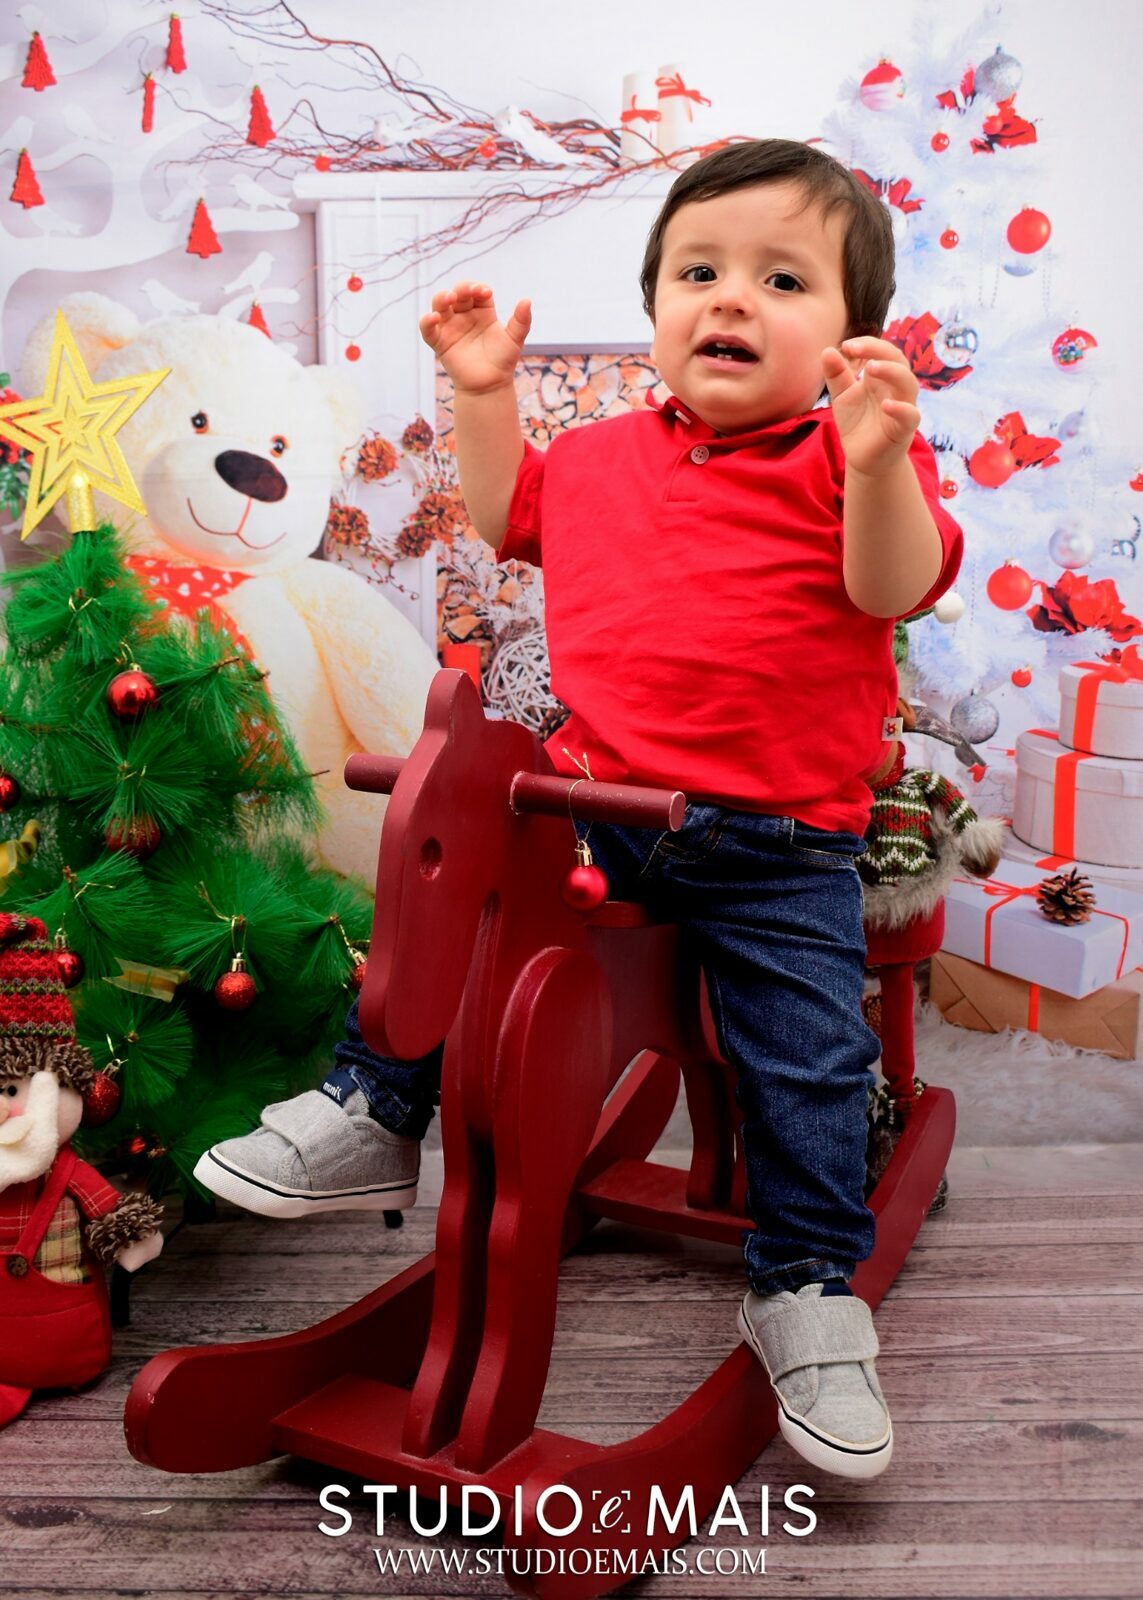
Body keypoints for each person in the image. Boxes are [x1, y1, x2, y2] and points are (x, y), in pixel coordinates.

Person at [196, 139, 962, 1481]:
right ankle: (376, 1105)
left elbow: (892, 586)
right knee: (459, 888)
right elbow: (506, 513)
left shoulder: (846, 462)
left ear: (852, 338)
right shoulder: (603, 456)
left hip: (780, 842)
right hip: (600, 804)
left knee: (808, 1061)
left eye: (783, 280)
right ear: (656, 302)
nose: (730, 298)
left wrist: (884, 455)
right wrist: (481, 389)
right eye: (698, 272)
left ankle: (805, 1287)